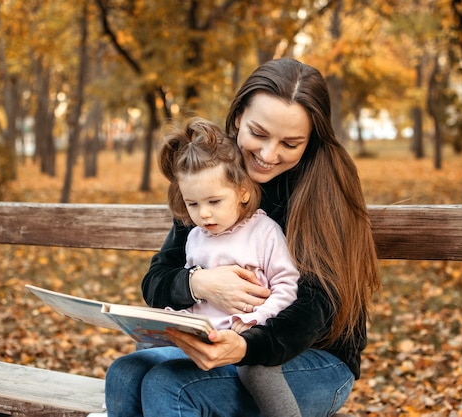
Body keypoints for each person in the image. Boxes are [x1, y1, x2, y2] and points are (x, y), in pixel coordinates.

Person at [105, 58, 381, 417]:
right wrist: (198, 283)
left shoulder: (324, 186)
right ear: (237, 117)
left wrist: (246, 346)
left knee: (171, 387)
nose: (268, 155)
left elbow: (319, 306)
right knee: (126, 372)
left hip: (310, 357)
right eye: (260, 134)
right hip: (221, 337)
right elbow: (158, 279)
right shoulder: (212, 173)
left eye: (291, 143)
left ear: (310, 140)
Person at [157, 117, 302, 416]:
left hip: (246, 337)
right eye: (193, 204)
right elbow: (193, 292)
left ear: (243, 192)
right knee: (143, 356)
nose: (204, 214)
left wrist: (256, 320)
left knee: (258, 373)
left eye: (214, 201)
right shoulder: (196, 236)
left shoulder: (263, 232)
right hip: (205, 337)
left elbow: (287, 286)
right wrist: (173, 318)